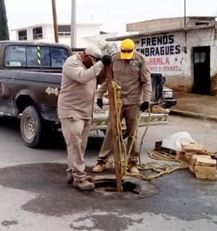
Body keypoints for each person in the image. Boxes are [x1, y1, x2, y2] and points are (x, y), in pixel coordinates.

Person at [92, 38, 151, 174]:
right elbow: (108, 78)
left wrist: (146, 100)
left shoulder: (141, 60)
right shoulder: (114, 59)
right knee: (111, 131)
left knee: (132, 134)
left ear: (133, 50)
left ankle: (132, 163)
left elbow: (146, 82)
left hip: (133, 102)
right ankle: (102, 161)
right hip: (116, 101)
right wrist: (99, 95)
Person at [57, 45, 112, 191]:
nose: (95, 64)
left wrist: (107, 67)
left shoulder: (92, 66)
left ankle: (73, 174)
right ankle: (79, 178)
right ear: (86, 56)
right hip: (71, 111)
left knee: (80, 146)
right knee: (75, 144)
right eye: (94, 61)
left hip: (85, 111)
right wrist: (100, 64)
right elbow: (82, 77)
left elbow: (98, 79)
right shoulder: (72, 62)